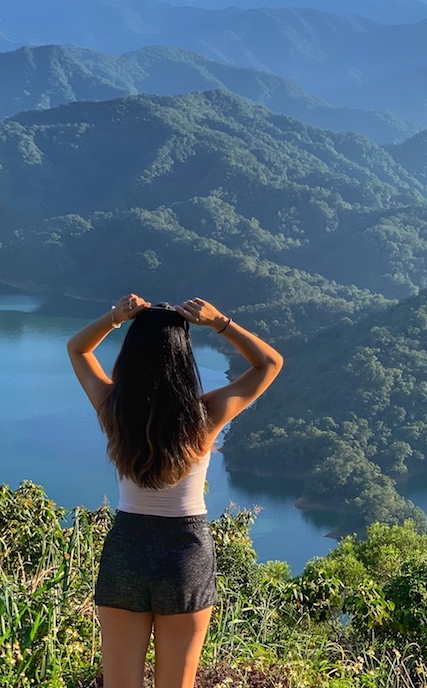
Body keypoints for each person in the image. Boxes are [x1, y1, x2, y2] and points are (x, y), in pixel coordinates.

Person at [67, 294, 283, 688]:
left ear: (130, 355)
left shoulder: (114, 408)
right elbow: (269, 363)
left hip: (127, 549)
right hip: (186, 552)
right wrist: (219, 321)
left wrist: (115, 317)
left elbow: (78, 349)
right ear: (184, 358)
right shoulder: (204, 415)